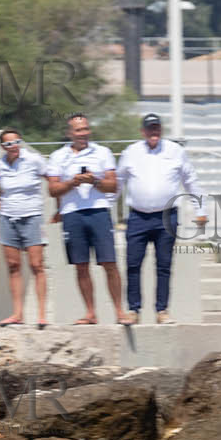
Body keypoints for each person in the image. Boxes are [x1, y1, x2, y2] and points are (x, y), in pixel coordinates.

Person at [117, 113, 208, 323]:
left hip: (167, 217)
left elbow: (190, 181)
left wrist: (200, 210)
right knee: (132, 264)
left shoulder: (175, 151)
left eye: (157, 128)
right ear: (143, 132)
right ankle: (133, 310)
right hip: (138, 217)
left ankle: (162, 311)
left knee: (164, 265)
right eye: (150, 129)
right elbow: (119, 181)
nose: (154, 133)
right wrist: (106, 205)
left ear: (161, 130)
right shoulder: (131, 152)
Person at [48, 113, 135, 325]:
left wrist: (94, 180)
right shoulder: (58, 156)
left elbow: (113, 185)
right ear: (70, 133)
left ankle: (119, 312)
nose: (83, 133)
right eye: (78, 130)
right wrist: (73, 183)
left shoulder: (102, 152)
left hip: (98, 211)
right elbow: (53, 189)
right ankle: (90, 313)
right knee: (81, 265)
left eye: (86, 129)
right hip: (72, 213)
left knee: (109, 263)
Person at [0, 128, 50, 327]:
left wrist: (59, 207)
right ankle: (17, 313)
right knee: (13, 266)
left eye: (16, 142)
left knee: (36, 265)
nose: (13, 147)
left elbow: (53, 179)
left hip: (32, 215)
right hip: (8, 218)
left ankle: (42, 314)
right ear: (2, 146)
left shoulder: (34, 159)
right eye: (8, 144)